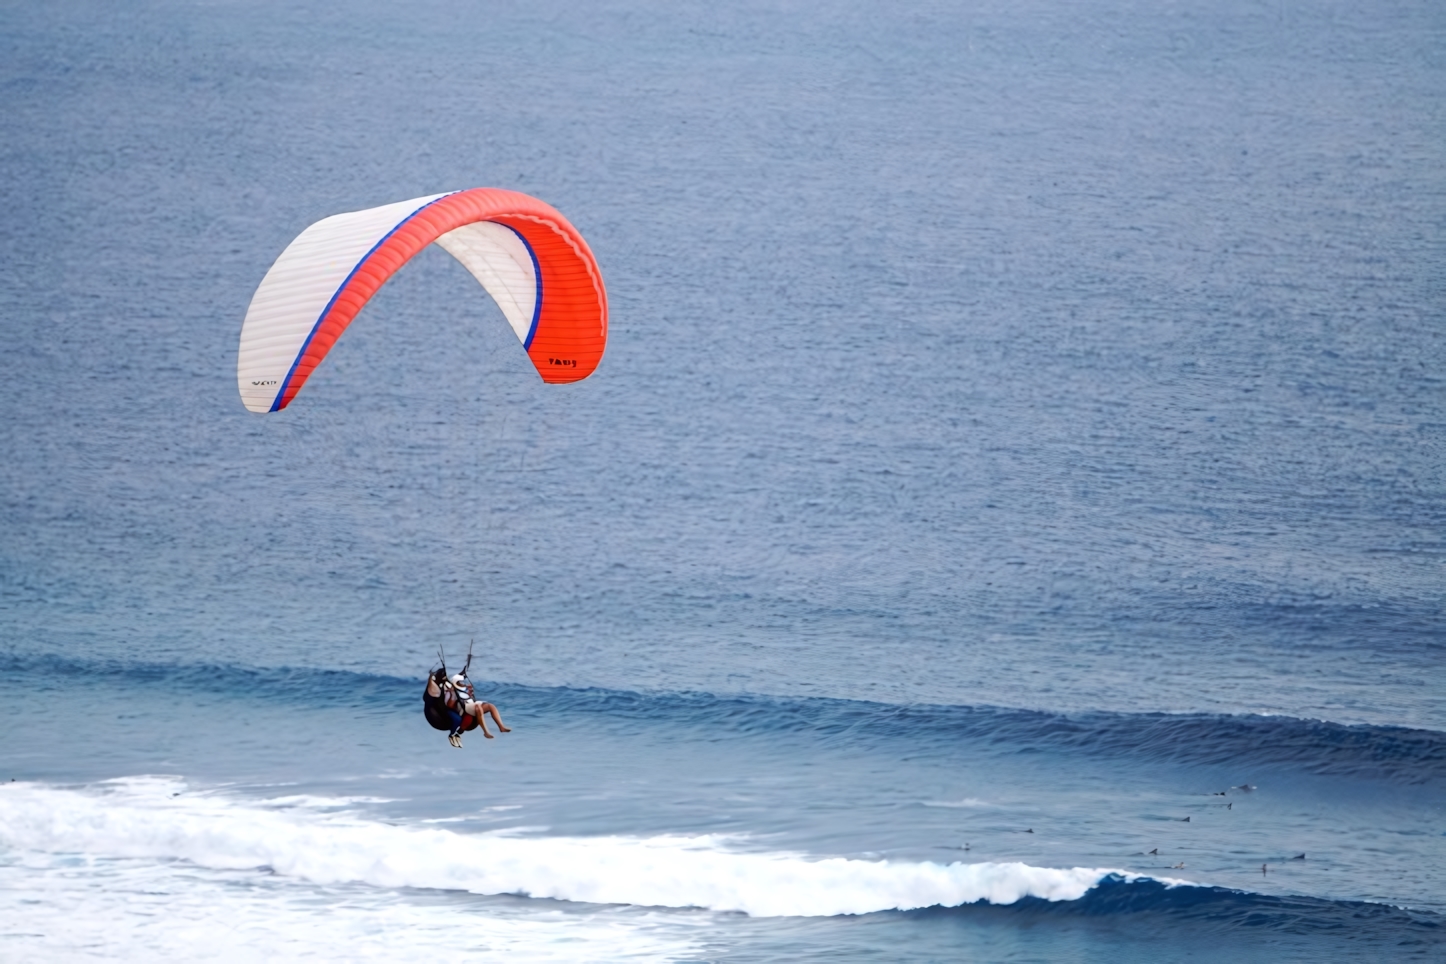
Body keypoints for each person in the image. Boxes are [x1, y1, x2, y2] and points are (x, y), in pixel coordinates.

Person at [449, 673, 511, 742]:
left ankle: (501, 727)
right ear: (456, 683)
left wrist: (470, 692)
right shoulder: (454, 691)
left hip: (471, 704)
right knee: (478, 707)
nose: (462, 683)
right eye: (460, 682)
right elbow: (451, 705)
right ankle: (486, 732)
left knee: (491, 706)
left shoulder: (465, 688)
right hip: (464, 708)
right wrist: (452, 694)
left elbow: (470, 697)